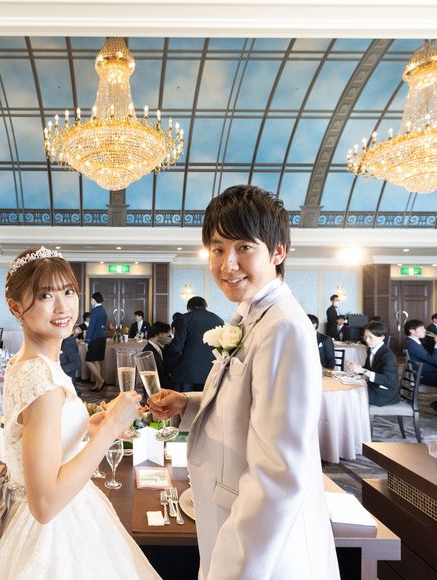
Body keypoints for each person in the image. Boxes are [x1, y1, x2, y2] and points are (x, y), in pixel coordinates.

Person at [149, 185, 339, 579]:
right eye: (217, 249)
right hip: (227, 510)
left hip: (262, 550)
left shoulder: (283, 327)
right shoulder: (248, 314)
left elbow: (277, 472)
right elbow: (247, 402)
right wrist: (188, 403)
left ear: (278, 251)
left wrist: (232, 570)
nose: (227, 264)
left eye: (244, 248)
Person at [0, 247, 158, 580]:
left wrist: (86, 426)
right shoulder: (40, 377)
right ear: (15, 307)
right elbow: (45, 505)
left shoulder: (26, 362)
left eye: (68, 291)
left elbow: (36, 432)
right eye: (45, 295)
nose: (63, 307)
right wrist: (112, 427)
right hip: (51, 529)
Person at [164, 296, 223, 392]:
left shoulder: (184, 318)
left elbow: (176, 348)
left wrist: (165, 348)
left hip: (187, 373)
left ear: (189, 308)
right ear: (205, 306)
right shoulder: (219, 320)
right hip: (211, 373)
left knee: (184, 400)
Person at [348, 322, 399, 406]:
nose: (367, 340)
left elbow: (387, 380)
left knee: (350, 395)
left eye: (370, 337)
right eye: (365, 337)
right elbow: (368, 369)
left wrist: (362, 370)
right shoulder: (371, 350)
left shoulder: (388, 355)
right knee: (349, 388)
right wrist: (356, 368)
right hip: (374, 387)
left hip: (384, 393)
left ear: (382, 337)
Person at [85, 291, 107, 392]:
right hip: (102, 338)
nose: (91, 301)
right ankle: (98, 384)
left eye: (91, 299)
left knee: (88, 361)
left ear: (94, 300)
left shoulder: (94, 311)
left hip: (95, 338)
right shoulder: (103, 310)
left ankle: (101, 380)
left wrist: (87, 341)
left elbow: (91, 327)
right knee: (96, 360)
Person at [405, 319, 437, 387]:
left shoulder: (412, 342)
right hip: (424, 375)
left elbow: (428, 357)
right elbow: (434, 360)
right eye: (421, 328)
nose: (425, 330)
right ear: (412, 331)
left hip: (425, 371)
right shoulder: (412, 345)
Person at [142, 322, 171, 388]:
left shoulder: (159, 347)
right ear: (160, 334)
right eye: (167, 336)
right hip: (155, 388)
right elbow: (150, 379)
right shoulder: (147, 353)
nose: (168, 338)